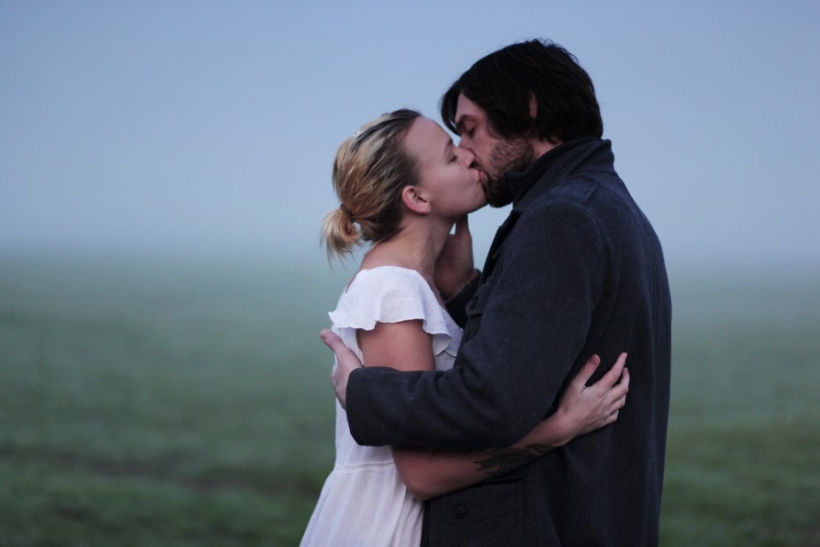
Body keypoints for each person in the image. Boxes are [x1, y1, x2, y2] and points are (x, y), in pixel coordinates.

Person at [324, 40, 672, 546]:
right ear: (414, 196)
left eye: (470, 130)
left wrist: (365, 393)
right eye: (454, 146)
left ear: (528, 110)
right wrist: (467, 292)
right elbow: (531, 357)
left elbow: (493, 400)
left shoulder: (563, 217)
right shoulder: (606, 207)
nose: (467, 152)